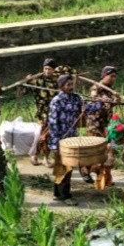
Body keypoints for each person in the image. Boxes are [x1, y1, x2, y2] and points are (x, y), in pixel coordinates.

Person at [25, 59, 75, 167]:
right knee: (40, 135)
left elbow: (72, 72)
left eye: (50, 69)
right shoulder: (37, 80)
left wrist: (59, 69)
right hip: (42, 113)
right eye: (45, 69)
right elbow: (25, 91)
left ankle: (46, 158)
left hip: (55, 113)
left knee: (49, 136)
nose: (47, 71)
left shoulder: (58, 79)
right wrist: (27, 81)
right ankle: (34, 154)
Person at [48, 74, 84, 206]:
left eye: (72, 84)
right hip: (60, 139)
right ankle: (66, 195)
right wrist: (55, 143)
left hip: (72, 138)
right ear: (61, 87)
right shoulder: (57, 101)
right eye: (68, 85)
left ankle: (57, 193)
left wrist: (101, 103)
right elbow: (52, 123)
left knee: (64, 166)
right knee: (64, 167)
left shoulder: (76, 98)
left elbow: (87, 109)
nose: (71, 87)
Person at [83, 66, 121, 188]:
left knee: (105, 151)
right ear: (104, 76)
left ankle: (104, 177)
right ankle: (85, 170)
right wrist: (104, 99)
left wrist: (115, 100)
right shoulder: (96, 87)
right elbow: (94, 98)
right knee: (93, 149)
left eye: (115, 77)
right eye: (111, 76)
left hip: (105, 124)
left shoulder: (110, 89)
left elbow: (111, 104)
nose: (113, 79)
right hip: (94, 124)